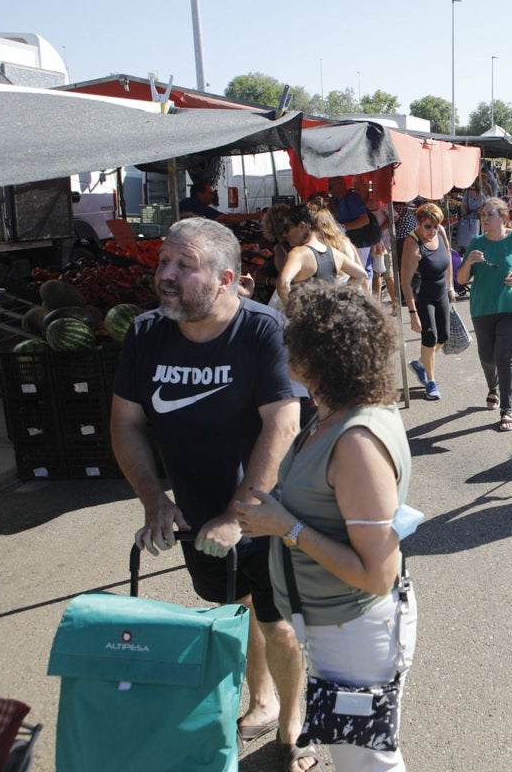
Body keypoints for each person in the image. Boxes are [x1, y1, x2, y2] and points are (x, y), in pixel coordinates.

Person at [110, 217, 309, 762]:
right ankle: (261, 699)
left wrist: (238, 514)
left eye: (184, 265)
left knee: (276, 622)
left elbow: (283, 423)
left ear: (225, 279)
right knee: (236, 609)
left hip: (265, 510)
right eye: (163, 263)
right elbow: (125, 422)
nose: (166, 276)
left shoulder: (263, 329)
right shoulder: (146, 334)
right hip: (197, 513)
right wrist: (155, 500)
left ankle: (293, 725)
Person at [235, 283, 418, 772]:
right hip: (334, 627)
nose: (284, 351)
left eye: (292, 343)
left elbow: (377, 573)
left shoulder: (356, 439)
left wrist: (285, 526)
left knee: (369, 762)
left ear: (319, 357)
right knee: (353, 751)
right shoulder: (330, 415)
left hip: (355, 632)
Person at [455, 197, 512, 432]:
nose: (485, 219)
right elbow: (461, 279)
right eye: (483, 215)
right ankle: (492, 387)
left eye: (490, 214)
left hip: (510, 308)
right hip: (482, 308)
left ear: (503, 217)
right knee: (487, 357)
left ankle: (507, 410)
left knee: (504, 357)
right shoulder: (476, 243)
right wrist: (469, 263)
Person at [401, 203, 455, 401]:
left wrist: (450, 286)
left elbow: (448, 254)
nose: (432, 230)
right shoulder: (412, 243)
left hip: (441, 292)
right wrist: (413, 314)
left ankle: (420, 363)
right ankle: (431, 382)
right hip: (423, 295)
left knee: (444, 337)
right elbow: (405, 282)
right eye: (428, 226)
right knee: (430, 338)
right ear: (418, 223)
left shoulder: (439, 231)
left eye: (435, 225)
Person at [277, 204, 369, 305]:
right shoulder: (334, 253)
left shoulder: (297, 254)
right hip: (330, 316)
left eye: (287, 228)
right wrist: (339, 299)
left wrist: (292, 312)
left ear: (302, 226)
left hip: (306, 317)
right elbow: (361, 275)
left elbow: (283, 284)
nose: (285, 234)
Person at [329, 177, 380, 277]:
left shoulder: (352, 199)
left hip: (360, 242)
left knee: (361, 273)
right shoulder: (334, 200)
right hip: (349, 242)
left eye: (331, 187)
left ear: (341, 185)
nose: (329, 190)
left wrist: (342, 227)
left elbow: (364, 220)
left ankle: (365, 292)